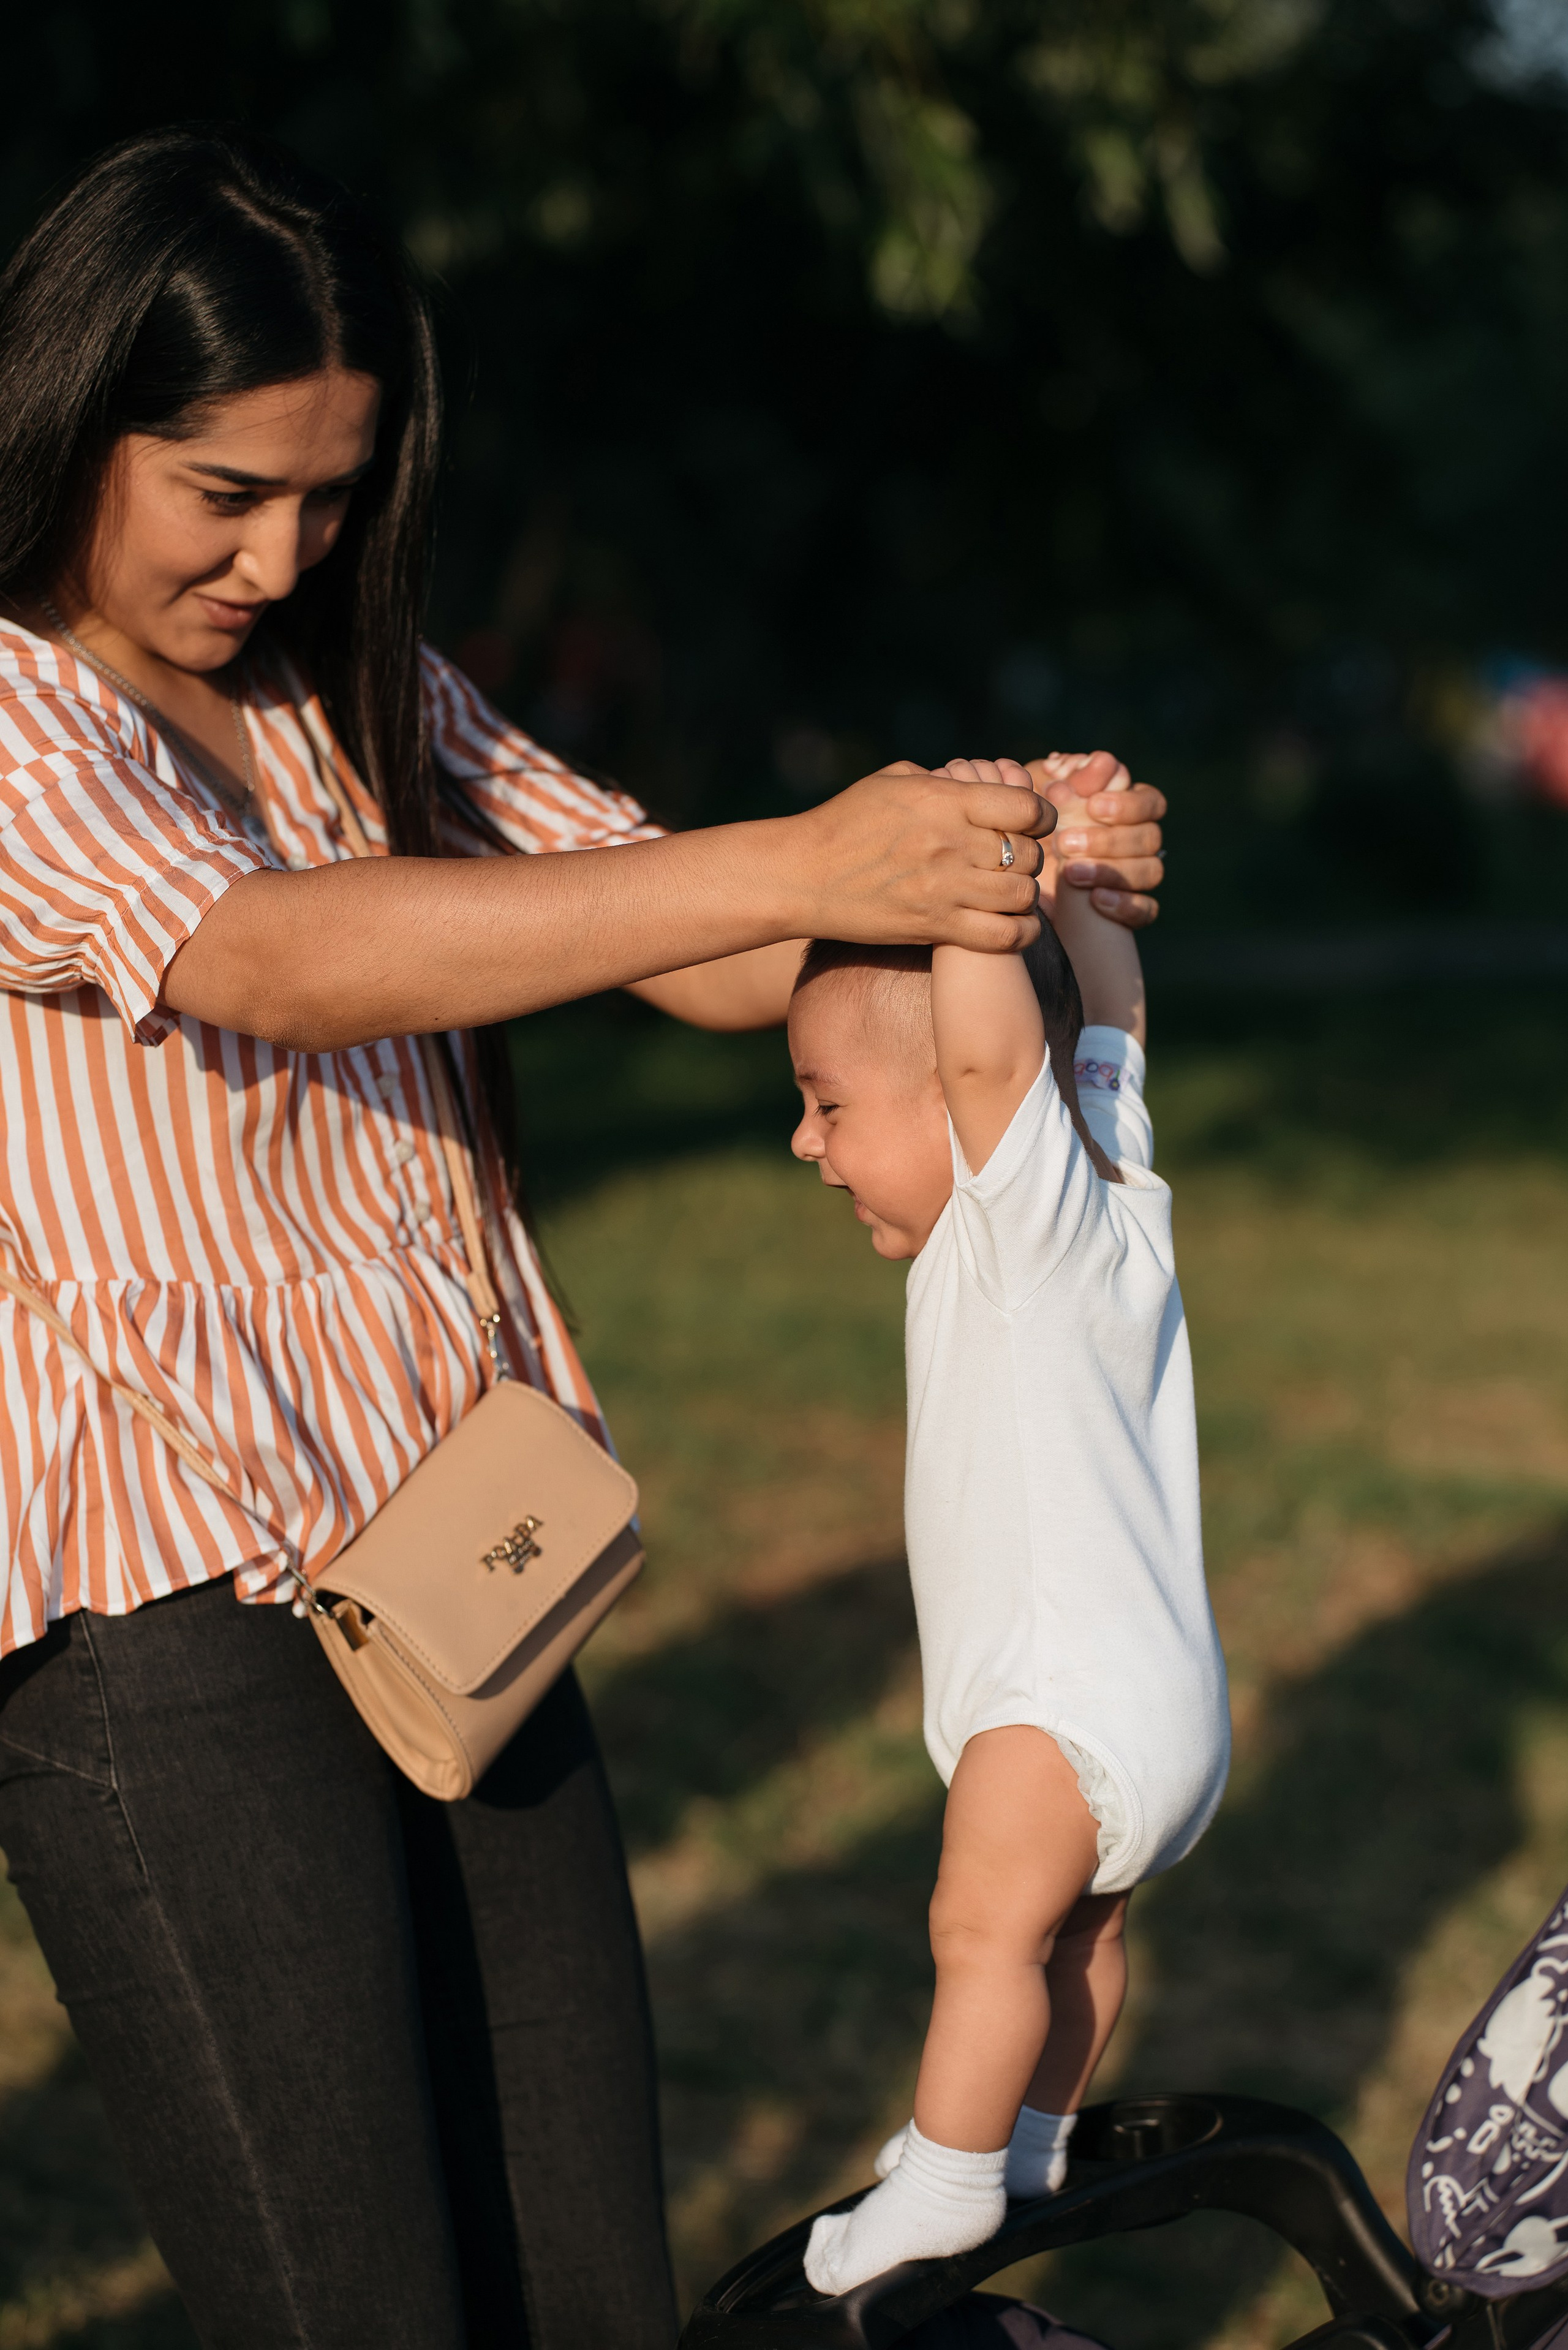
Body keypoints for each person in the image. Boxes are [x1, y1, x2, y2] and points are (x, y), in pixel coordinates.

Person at [0, 127, 1167, 2349]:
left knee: (584, 2271)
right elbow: (273, 954)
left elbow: (697, 936)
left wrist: (983, 860)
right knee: (362, 2293)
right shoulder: (6, 708)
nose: (282, 550)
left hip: (458, 1520)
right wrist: (812, 858)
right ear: (70, 407)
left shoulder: (358, 681)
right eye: (222, 488)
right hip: (158, 1578)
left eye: (333, 494)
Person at [787, 757, 1227, 2297]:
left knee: (979, 1928)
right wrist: (1082, 897)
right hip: (1165, 1714)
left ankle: (949, 2176)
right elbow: (1111, 1022)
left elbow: (1003, 1049)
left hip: (1052, 1710)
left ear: (964, 1097)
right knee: (1072, 1937)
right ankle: (1034, 2129)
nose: (806, 1142)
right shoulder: (1111, 1171)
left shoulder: (1015, 1208)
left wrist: (982, 864)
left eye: (827, 1103)